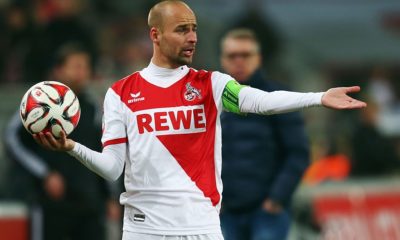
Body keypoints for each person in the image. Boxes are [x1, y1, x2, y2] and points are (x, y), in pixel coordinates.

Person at [32, 1, 366, 240]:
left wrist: (318, 98)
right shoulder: (120, 93)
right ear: (155, 35)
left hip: (202, 226)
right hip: (143, 228)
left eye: (194, 29)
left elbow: (262, 101)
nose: (193, 37)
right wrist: (72, 146)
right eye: (182, 30)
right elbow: (111, 168)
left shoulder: (211, 84)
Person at [4, 43, 118, 240]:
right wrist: (45, 174)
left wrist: (108, 196)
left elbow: (102, 150)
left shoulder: (93, 107)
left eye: (85, 66)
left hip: (89, 203)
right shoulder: (37, 102)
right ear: (58, 70)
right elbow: (12, 139)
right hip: (53, 203)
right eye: (76, 66)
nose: (82, 72)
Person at [219, 28, 310, 240]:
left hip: (267, 211)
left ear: (258, 58)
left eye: (246, 55)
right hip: (225, 211)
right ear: (223, 60)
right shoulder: (212, 100)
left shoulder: (278, 99)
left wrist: (276, 198)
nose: (239, 61)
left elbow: (298, 153)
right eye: (233, 56)